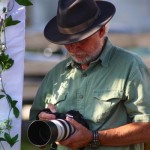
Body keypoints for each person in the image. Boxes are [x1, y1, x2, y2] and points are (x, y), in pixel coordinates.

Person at [29, 0, 150, 150]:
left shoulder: (130, 66)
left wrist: (94, 138)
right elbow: (34, 124)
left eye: (81, 39)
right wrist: (45, 119)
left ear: (101, 31)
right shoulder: (55, 74)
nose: (73, 48)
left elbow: (147, 128)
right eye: (67, 41)